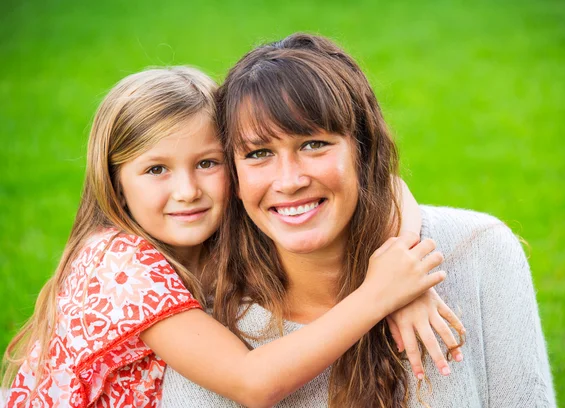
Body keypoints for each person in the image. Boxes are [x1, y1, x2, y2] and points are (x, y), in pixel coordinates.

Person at [1, 66, 460, 408]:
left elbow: (390, 188)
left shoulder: (226, 223)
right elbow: (251, 382)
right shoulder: (120, 265)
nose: (187, 191)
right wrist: (380, 294)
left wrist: (409, 278)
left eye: (207, 163)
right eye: (156, 169)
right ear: (115, 181)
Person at [161, 33, 556, 407]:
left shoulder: (477, 251)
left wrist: (405, 263)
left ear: (363, 151)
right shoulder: (213, 333)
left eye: (314, 145)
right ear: (233, 175)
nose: (290, 180)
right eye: (259, 153)